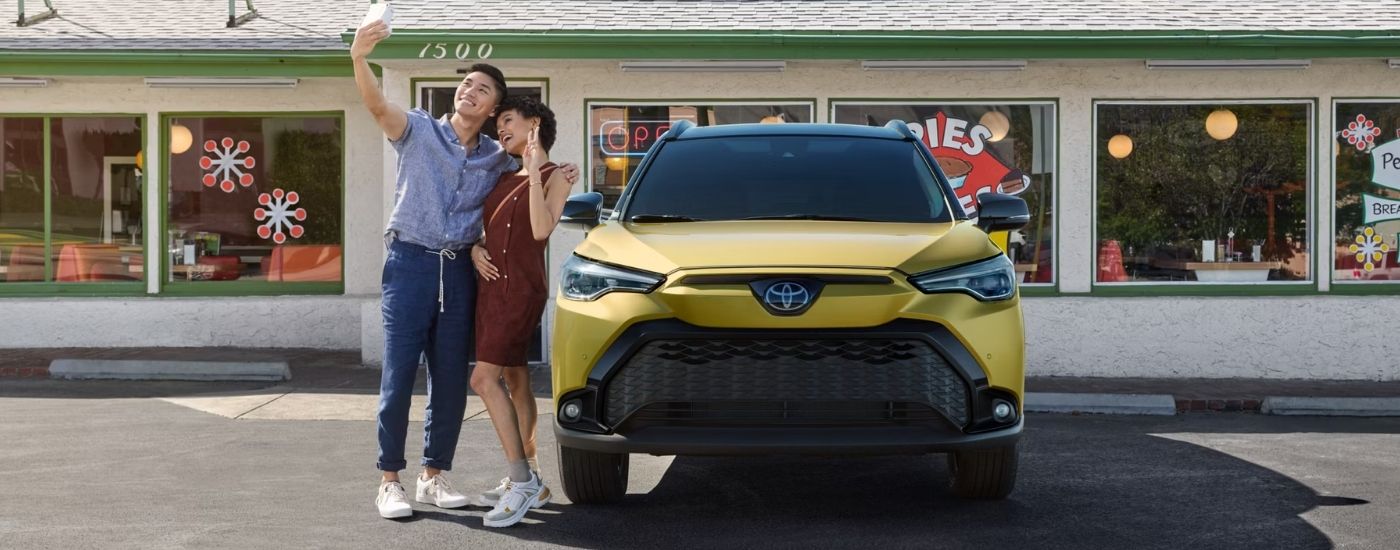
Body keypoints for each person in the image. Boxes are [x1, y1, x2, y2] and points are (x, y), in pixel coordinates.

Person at [350, 19, 577, 520]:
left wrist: (476, 243)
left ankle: (434, 475)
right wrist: (360, 58)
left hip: (457, 271)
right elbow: (374, 105)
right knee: (399, 375)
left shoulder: (497, 158)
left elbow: (512, 205)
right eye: (466, 84)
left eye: (482, 88)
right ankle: (390, 481)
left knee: (452, 378)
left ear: (495, 107)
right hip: (410, 261)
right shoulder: (418, 129)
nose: (469, 91)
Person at [468, 96, 572, 528]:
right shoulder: (502, 176)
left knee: (482, 378)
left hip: (520, 291)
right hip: (491, 288)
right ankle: (533, 473)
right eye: (499, 124)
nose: (500, 129)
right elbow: (484, 228)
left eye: (508, 120)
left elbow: (541, 229)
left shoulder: (556, 176)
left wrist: (532, 174)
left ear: (535, 123)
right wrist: (475, 249)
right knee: (514, 378)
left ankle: (521, 478)